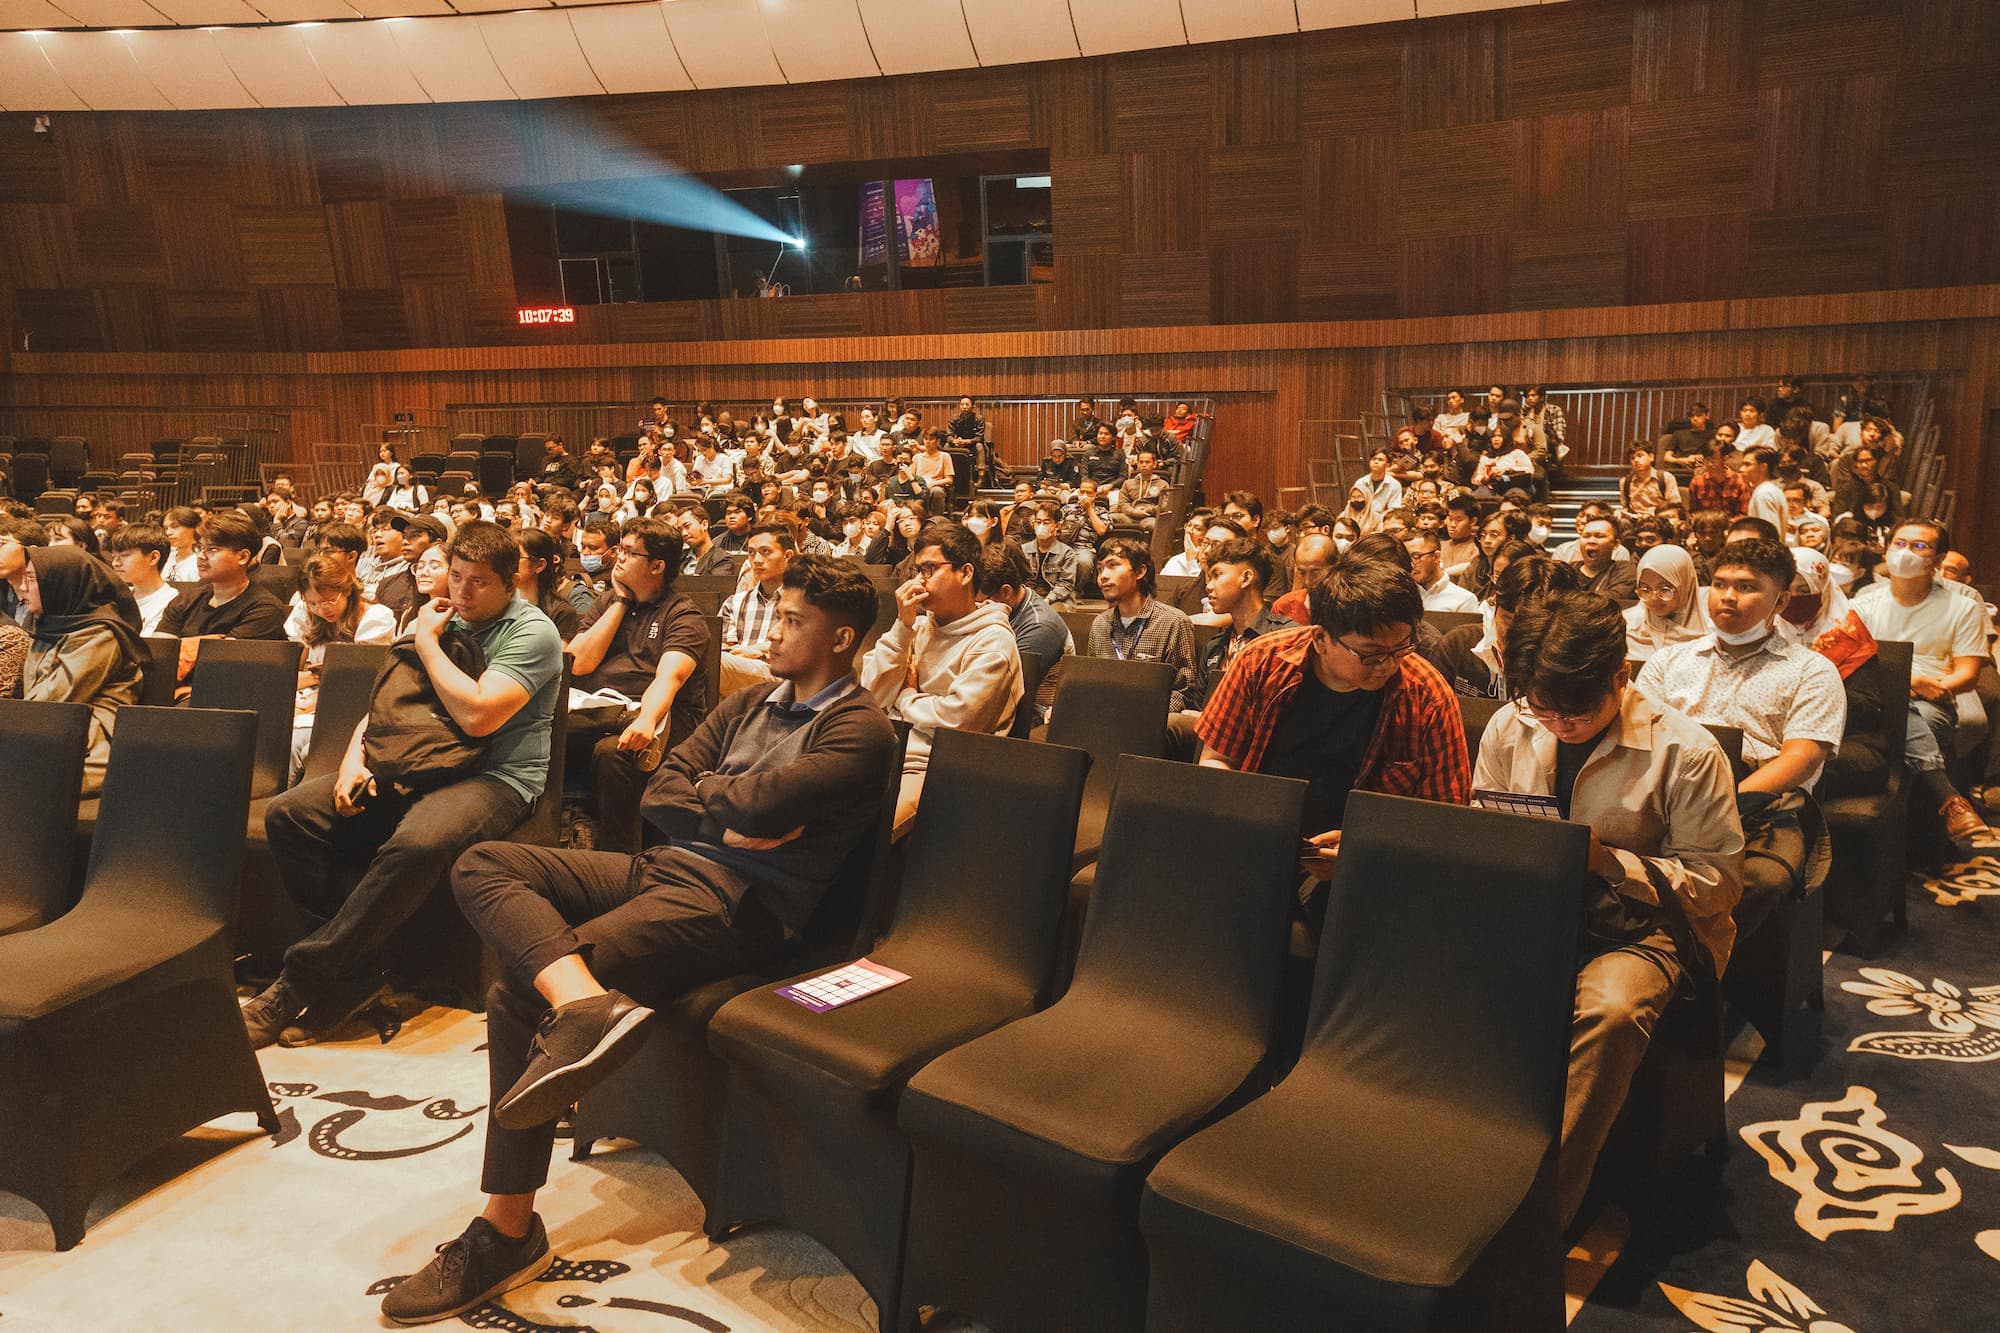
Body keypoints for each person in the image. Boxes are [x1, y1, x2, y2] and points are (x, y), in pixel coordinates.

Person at [377, 555, 897, 1324]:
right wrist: (729, 811)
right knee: (484, 862)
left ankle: (508, 1229)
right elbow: (660, 788)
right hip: (666, 868)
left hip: (742, 904)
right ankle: (583, 1002)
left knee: (516, 987)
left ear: (842, 636)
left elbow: (748, 802)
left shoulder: (862, 730)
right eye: (778, 614)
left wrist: (719, 804)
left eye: (792, 620)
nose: (773, 630)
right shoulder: (750, 702)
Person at [1474, 590, 1742, 1229]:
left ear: (1622, 677)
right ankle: (1459, 1161)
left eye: (1574, 712)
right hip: (1538, 907)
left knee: (1610, 1010)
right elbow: (1485, 822)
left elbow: (1718, 884)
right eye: (1543, 708)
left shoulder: (1686, 751)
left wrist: (1609, 862)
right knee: (1435, 964)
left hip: (1646, 928)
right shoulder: (1513, 724)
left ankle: (1537, 1217)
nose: (1556, 725)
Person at [245, 522, 565, 1049]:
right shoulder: (438, 618)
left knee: (419, 841)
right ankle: (353, 977)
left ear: (510, 582)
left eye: (478, 582)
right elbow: (386, 707)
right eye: (455, 576)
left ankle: (300, 980)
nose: (460, 592)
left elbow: (479, 716)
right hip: (414, 762)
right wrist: (354, 762)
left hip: (495, 776)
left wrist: (426, 641)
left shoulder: (531, 632)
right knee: (291, 813)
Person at [1198, 556, 1470, 887]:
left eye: (1401, 649)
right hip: (1257, 841)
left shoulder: (1427, 697)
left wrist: (1364, 850)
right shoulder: (1262, 662)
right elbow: (1216, 762)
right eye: (1371, 654)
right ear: (1320, 639)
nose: (1388, 665)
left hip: (1370, 868)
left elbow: (1444, 819)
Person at [1639, 538, 1847, 930]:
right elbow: (1639, 734)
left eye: (1747, 587)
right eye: (1719, 584)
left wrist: (1724, 803)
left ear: (1781, 602)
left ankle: (1682, 959)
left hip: (1758, 806)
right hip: (1668, 792)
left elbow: (1802, 757)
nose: (1727, 597)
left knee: (1764, 879)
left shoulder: (1811, 671)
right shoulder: (1669, 661)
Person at [859, 520, 1022, 835]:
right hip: (882, 752)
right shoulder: (917, 628)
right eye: (917, 571)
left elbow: (958, 721)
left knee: (862, 833)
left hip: (938, 770)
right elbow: (869, 696)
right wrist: (902, 628)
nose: (920, 581)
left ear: (965, 573)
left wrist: (905, 696)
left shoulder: (993, 642)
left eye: (930, 569)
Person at [565, 518, 709, 855]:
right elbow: (579, 663)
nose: (620, 558)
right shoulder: (608, 602)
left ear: (657, 566)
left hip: (663, 718)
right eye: (622, 550)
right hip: (598, 709)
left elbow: (669, 678)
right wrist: (621, 603)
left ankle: (622, 862)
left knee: (614, 754)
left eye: (630, 553)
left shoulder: (683, 615)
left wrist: (645, 719)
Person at [1849, 519, 1994, 845]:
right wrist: (1909, 682)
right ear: (1886, 550)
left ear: (1939, 559)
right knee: (1896, 711)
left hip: (1933, 698)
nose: (1906, 553)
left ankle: (1907, 836)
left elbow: (1968, 673)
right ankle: (1947, 797)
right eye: (1900, 544)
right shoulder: (1863, 603)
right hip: (1872, 694)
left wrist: (1939, 687)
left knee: (1914, 717)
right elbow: (1851, 663)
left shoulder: (1963, 607)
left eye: (1919, 547)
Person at [7, 545, 148, 794]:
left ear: (62, 585)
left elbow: (51, 705)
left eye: (30, 579)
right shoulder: (53, 626)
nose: (21, 588)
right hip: (47, 737)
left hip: (86, 750)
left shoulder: (101, 635)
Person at [159, 511, 292, 689]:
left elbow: (217, 667)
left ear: (243, 556)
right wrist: (201, 646)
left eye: (213, 549)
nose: (201, 556)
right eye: (199, 547)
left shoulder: (264, 609)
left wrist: (182, 648)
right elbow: (159, 657)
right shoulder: (185, 600)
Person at [1089, 535, 1197, 694]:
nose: (1103, 576)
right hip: (1105, 712)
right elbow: (1089, 683)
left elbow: (1183, 692)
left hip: (1151, 715)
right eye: (1100, 569)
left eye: (1113, 565)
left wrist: (1144, 713)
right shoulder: (1100, 624)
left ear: (1139, 571)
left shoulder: (1173, 622)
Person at [981, 541, 1072, 706]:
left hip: (1035, 716)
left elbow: (1004, 690)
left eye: (982, 601)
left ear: (1006, 592)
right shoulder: (1013, 604)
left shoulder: (1039, 628)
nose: (977, 608)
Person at [719, 523, 793, 696]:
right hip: (736, 672)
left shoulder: (802, 601)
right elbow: (722, 648)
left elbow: (799, 649)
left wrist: (754, 651)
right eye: (751, 553)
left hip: (782, 676)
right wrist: (758, 652)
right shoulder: (734, 602)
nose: (756, 560)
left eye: (765, 551)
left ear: (787, 556)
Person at [1623, 542, 1707, 662]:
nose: (1653, 598)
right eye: (1645, 590)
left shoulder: (1712, 635)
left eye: (1664, 589)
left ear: (1686, 585)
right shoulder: (1625, 627)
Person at [102, 523, 180, 635]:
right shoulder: (117, 597)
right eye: (114, 556)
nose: (115, 563)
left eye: (124, 555)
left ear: (153, 558)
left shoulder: (171, 602)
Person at [513, 528, 581, 642]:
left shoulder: (561, 612)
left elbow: (559, 658)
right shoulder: (496, 601)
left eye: (516, 557)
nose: (507, 562)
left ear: (539, 565)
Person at [1567, 515, 1638, 601]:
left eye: (1599, 536)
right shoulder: (1567, 570)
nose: (1591, 541)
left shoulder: (1625, 570)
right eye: (1586, 536)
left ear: (1615, 544)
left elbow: (1613, 600)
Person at [1406, 529, 1479, 613]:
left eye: (1416, 557)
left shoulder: (1464, 600)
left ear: (1436, 557)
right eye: (1406, 558)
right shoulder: (1401, 596)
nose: (1410, 564)